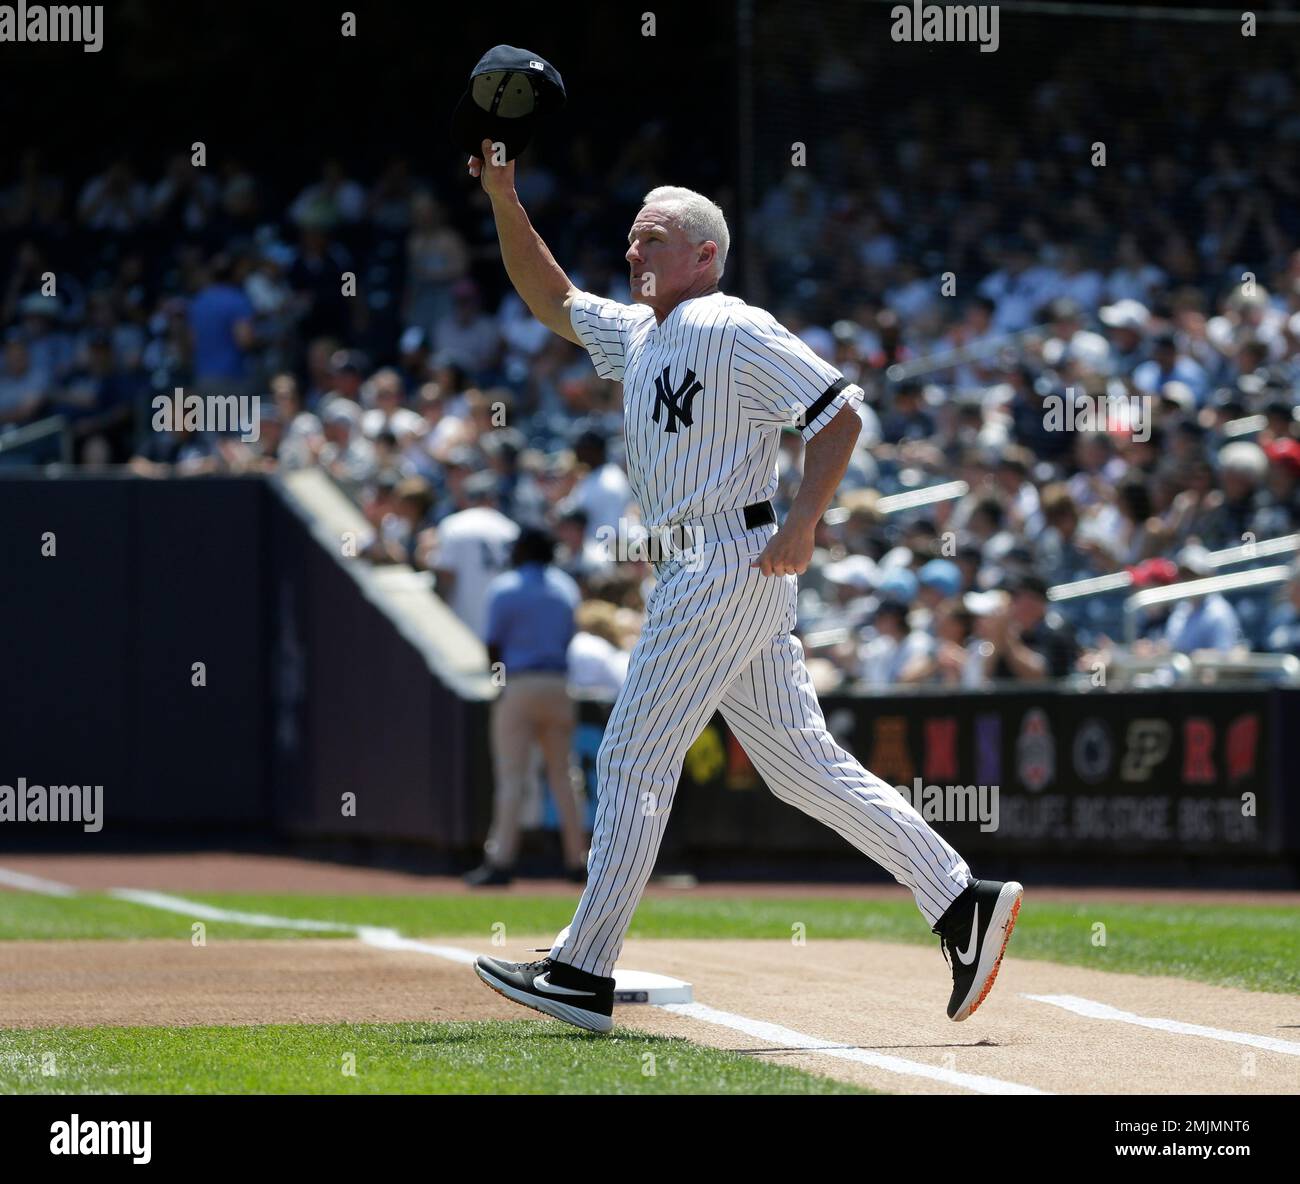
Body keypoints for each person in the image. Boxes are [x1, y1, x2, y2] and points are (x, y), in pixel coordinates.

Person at [466, 141, 1022, 1033]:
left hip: (727, 557)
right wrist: (502, 194)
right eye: (633, 239)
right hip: (714, 565)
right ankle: (962, 900)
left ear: (704, 256)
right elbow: (550, 296)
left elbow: (840, 411)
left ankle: (581, 970)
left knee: (632, 757)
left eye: (652, 241)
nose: (634, 253)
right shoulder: (643, 331)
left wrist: (804, 521)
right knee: (804, 765)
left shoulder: (730, 322)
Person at [466, 528, 590, 887]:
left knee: (511, 777)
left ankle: (501, 861)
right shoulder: (565, 587)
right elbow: (569, 637)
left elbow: (492, 645)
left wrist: (500, 682)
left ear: (522, 551)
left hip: (519, 684)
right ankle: (576, 860)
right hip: (557, 683)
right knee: (564, 778)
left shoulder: (505, 587)